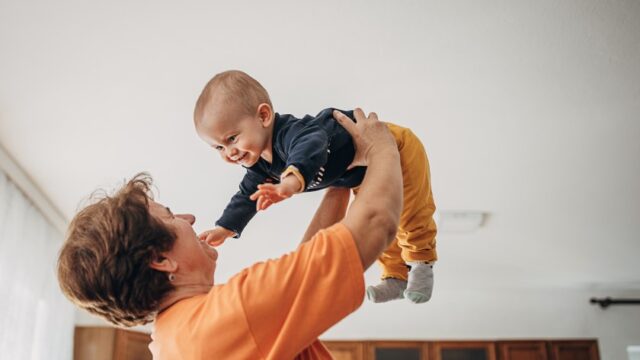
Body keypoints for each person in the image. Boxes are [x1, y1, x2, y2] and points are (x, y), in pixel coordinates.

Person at [57, 109, 403, 359]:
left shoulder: (177, 340)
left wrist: (338, 178)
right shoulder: (225, 317)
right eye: (170, 216)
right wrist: (381, 147)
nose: (189, 218)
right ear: (160, 259)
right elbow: (375, 223)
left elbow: (306, 271)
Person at [194, 70, 438, 303]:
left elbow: (312, 146)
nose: (229, 153)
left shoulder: (291, 133)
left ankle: (421, 263)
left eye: (232, 139)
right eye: (219, 148)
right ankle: (395, 277)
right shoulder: (260, 166)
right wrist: (225, 227)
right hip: (361, 172)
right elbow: (246, 195)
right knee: (385, 219)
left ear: (264, 116)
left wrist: (291, 182)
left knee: (410, 213)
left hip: (394, 146)